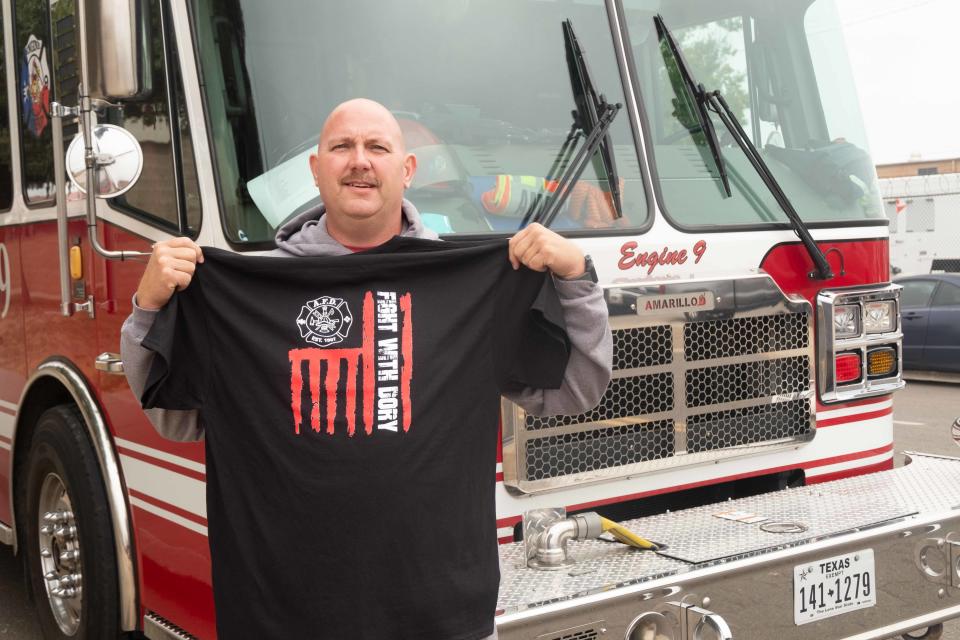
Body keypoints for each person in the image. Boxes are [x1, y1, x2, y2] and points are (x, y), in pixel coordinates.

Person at [121, 98, 612, 639]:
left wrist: (576, 279)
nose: (360, 160)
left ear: (406, 171)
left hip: (442, 621)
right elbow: (175, 419)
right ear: (315, 169)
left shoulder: (473, 286)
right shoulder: (244, 292)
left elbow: (575, 391)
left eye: (377, 147)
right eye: (342, 147)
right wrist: (147, 310)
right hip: (280, 619)